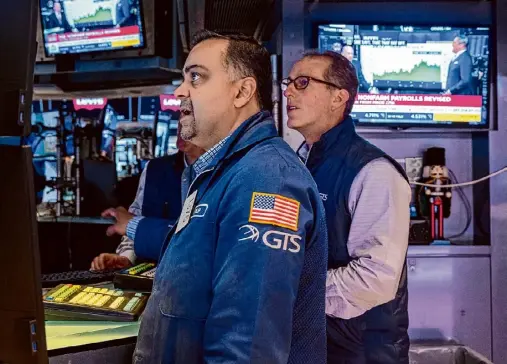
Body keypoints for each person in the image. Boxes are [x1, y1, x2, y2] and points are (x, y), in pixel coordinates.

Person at [133, 30, 328, 364]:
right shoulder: (217, 172)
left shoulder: (267, 180)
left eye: (196, 77)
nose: (180, 91)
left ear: (242, 91)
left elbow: (247, 346)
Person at [283, 51, 411, 364]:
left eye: (302, 83)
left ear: (338, 97)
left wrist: (287, 291)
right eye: (288, 83)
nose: (287, 91)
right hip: (316, 342)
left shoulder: (374, 171)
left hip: (360, 353)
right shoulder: (302, 163)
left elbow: (374, 279)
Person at [91, 126, 204, 271]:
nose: (182, 124)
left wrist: (134, 225)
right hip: (153, 281)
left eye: (191, 115)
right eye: (181, 114)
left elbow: (198, 237)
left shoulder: (225, 172)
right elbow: (135, 217)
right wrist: (125, 258)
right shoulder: (155, 168)